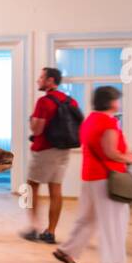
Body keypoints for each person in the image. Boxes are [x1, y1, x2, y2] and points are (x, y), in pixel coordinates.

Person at [53, 85, 132, 263]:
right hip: (108, 177)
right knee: (115, 224)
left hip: (91, 176)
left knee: (88, 218)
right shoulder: (109, 122)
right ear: (112, 102)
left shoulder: (90, 119)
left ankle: (68, 251)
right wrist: (128, 157)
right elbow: (110, 151)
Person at [22, 66, 77, 243]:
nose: (38, 80)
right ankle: (50, 232)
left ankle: (34, 228)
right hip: (64, 150)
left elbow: (37, 130)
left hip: (44, 150)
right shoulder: (71, 101)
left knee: (31, 187)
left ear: (50, 81)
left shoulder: (44, 102)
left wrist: (32, 121)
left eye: (41, 77)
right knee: (56, 189)